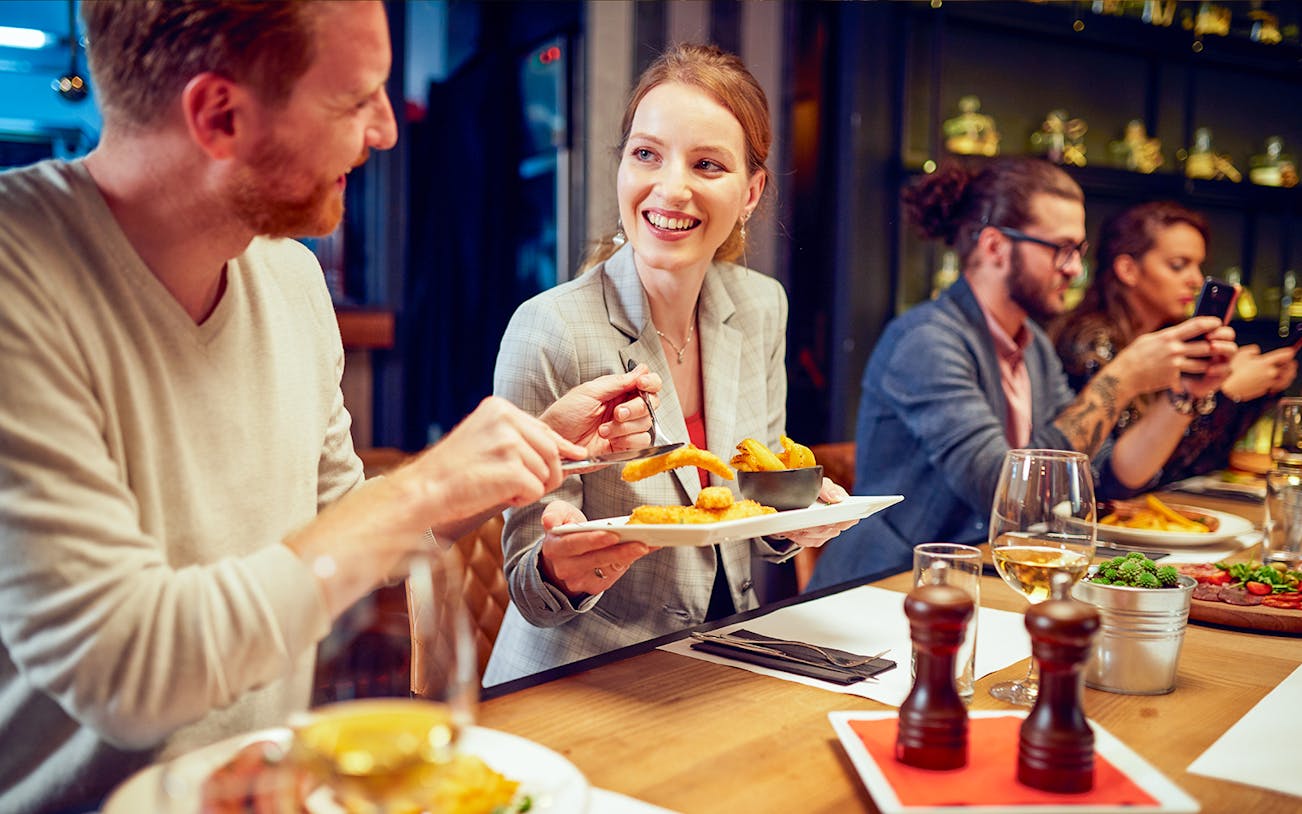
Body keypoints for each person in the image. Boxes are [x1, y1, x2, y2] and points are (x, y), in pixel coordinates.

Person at [0, 3, 661, 812]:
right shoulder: (17, 283)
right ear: (220, 115)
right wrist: (418, 488)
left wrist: (500, 467)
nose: (386, 129)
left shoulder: (288, 276)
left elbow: (348, 537)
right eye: (356, 101)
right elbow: (131, 671)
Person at [483, 44, 857, 686]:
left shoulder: (761, 305)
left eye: (708, 164)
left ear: (751, 192)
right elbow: (529, 591)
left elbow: (754, 496)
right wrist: (564, 567)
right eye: (647, 154)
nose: (670, 187)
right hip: (578, 680)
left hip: (723, 658)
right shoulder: (550, 329)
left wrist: (801, 516)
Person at [807, 158, 1237, 591]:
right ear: (995, 246)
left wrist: (1182, 397)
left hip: (982, 579)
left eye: (1080, 251)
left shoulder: (1031, 341)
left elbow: (1105, 474)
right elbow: (1001, 490)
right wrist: (1120, 380)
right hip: (887, 587)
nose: (1074, 268)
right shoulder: (927, 340)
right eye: (1061, 249)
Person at [1052, 201, 1296, 484]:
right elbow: (1150, 472)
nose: (1195, 280)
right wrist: (1227, 395)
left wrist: (1256, 394)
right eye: (1178, 266)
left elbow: (1205, 459)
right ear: (1128, 270)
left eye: (1198, 265)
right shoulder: (1088, 343)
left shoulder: (1172, 339)